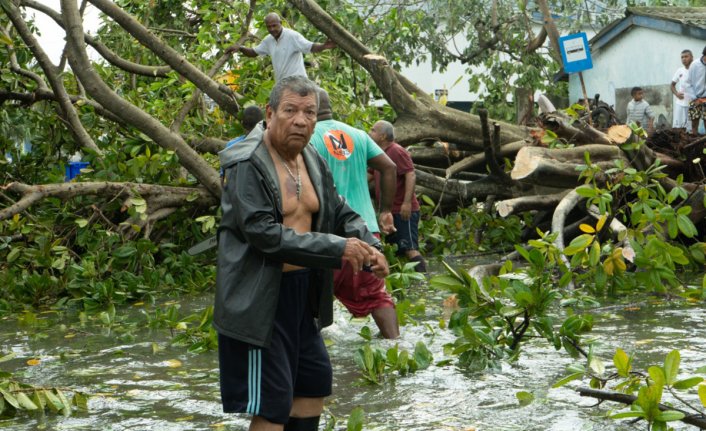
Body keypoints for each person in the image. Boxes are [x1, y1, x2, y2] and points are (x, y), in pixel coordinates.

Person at [215, 75, 389, 431]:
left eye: (309, 112)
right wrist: (340, 248)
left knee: (313, 387)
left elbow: (337, 208)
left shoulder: (310, 155)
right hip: (260, 301)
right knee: (271, 404)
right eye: (291, 110)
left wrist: (368, 243)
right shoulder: (246, 163)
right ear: (270, 112)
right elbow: (265, 235)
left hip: (304, 296)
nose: (301, 120)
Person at [310, 88, 399, 339]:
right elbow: (389, 167)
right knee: (377, 294)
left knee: (312, 297)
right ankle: (395, 347)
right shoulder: (358, 135)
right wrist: (385, 211)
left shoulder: (307, 136)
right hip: (365, 229)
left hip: (323, 233)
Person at [369, 120, 427, 273]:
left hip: (402, 210)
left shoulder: (396, 150)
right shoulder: (378, 153)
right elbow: (368, 174)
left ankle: (424, 282)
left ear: (382, 136)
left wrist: (407, 203)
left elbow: (410, 174)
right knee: (394, 249)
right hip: (389, 211)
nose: (369, 132)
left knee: (409, 249)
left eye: (373, 130)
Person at [229, 13, 336, 82]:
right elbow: (254, 52)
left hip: (297, 82)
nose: (272, 29)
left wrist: (323, 46)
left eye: (274, 25)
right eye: (269, 27)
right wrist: (240, 48)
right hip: (282, 85)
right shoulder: (268, 40)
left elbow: (310, 46)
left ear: (280, 23)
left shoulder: (292, 36)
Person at [684, 46, 706, 135]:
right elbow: (688, 83)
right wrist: (695, 98)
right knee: (694, 122)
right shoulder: (695, 65)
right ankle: (694, 142)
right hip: (694, 97)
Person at [671, 49, 694, 131]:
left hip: (693, 103)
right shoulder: (679, 70)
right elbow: (672, 85)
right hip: (680, 103)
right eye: (682, 57)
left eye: (686, 56)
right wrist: (676, 94)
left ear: (692, 57)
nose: (684, 59)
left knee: (690, 128)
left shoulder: (696, 70)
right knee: (678, 127)